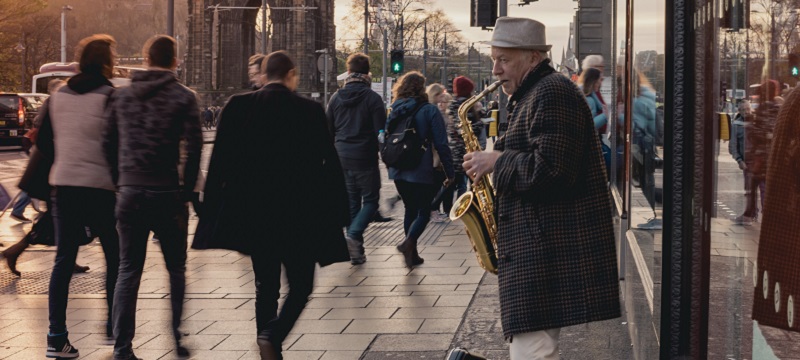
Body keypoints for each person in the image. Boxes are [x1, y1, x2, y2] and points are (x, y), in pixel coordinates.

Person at [462, 17, 620, 359]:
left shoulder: (551, 93)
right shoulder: (535, 92)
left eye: (504, 60)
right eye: (494, 59)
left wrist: (496, 163)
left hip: (545, 251)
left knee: (533, 351)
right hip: (539, 246)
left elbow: (552, 171)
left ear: (534, 57)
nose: (495, 70)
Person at [193, 51, 350, 360]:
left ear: (264, 75)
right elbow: (329, 166)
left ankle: (267, 343)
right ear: (292, 75)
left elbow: (220, 161)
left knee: (265, 286)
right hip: (298, 216)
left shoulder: (237, 106)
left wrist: (208, 210)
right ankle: (273, 336)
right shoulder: (310, 110)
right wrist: (340, 213)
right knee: (302, 285)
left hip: (254, 216)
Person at [103, 35, 202, 360]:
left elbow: (106, 142)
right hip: (167, 193)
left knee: (128, 269)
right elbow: (195, 147)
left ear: (145, 59)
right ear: (175, 61)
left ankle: (122, 347)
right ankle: (176, 339)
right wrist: (186, 192)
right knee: (176, 268)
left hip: (130, 193)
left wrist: (121, 180)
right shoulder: (183, 96)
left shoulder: (122, 96)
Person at [37, 34, 121, 359]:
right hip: (99, 187)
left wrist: (66, 156)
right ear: (104, 62)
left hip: (65, 186)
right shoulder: (110, 96)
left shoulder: (57, 96)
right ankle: (113, 325)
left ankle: (56, 336)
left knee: (63, 260)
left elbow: (43, 142)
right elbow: (117, 144)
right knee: (114, 255)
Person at [2, 79, 90, 278]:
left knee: (58, 218)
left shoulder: (57, 103)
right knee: (58, 218)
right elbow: (43, 135)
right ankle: (19, 250)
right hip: (52, 171)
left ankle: (19, 250)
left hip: (56, 170)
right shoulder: (54, 103)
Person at [388, 71, 454, 268]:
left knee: (410, 209)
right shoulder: (429, 110)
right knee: (424, 211)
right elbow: (442, 144)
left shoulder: (395, 108)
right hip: (421, 168)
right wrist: (449, 171)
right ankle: (408, 244)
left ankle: (412, 254)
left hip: (398, 168)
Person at [326, 53, 387, 265]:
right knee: (370, 202)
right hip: (365, 157)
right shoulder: (373, 99)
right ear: (368, 73)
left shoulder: (335, 98)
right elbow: (381, 131)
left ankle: (357, 253)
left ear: (349, 72)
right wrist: (385, 154)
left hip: (342, 157)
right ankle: (353, 235)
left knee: (352, 202)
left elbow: (329, 130)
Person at [733, 80, 779, 225]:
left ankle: (754, 214)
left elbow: (759, 132)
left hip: (760, 156)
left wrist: (751, 129)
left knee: (754, 185)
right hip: (771, 156)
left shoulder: (764, 108)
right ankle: (757, 213)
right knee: (762, 187)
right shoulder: (778, 108)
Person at [446, 76, 482, 201]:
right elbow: (463, 128)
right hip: (461, 150)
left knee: (458, 182)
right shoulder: (463, 106)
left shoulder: (456, 105)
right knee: (459, 183)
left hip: (459, 150)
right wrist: (480, 123)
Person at [425, 83, 451, 222]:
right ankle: (431, 210)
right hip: (434, 154)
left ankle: (431, 210)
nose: (443, 97)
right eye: (441, 94)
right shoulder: (432, 110)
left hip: (433, 153)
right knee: (436, 182)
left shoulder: (429, 109)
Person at [728, 101, 750, 194]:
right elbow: (732, 145)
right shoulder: (736, 125)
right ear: (739, 111)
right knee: (749, 191)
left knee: (764, 189)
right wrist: (739, 161)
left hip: (760, 161)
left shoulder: (758, 121)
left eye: (748, 109)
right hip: (747, 162)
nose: (746, 112)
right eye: (743, 110)